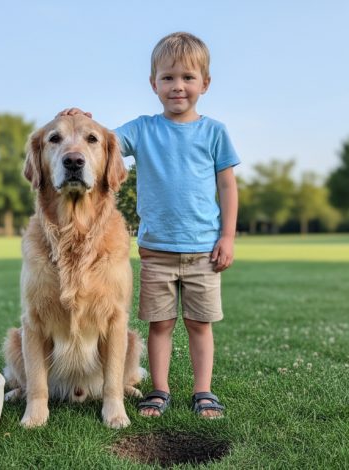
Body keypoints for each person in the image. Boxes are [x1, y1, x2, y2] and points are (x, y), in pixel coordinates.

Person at [59, 31, 239, 419]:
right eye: (168, 77)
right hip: (156, 250)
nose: (178, 86)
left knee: (199, 325)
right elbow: (101, 142)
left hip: (203, 251)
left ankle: (203, 392)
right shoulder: (142, 129)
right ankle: (159, 390)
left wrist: (227, 236)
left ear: (205, 83)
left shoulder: (215, 132)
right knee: (160, 325)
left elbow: (227, 186)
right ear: (154, 84)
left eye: (188, 77)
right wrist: (80, 120)